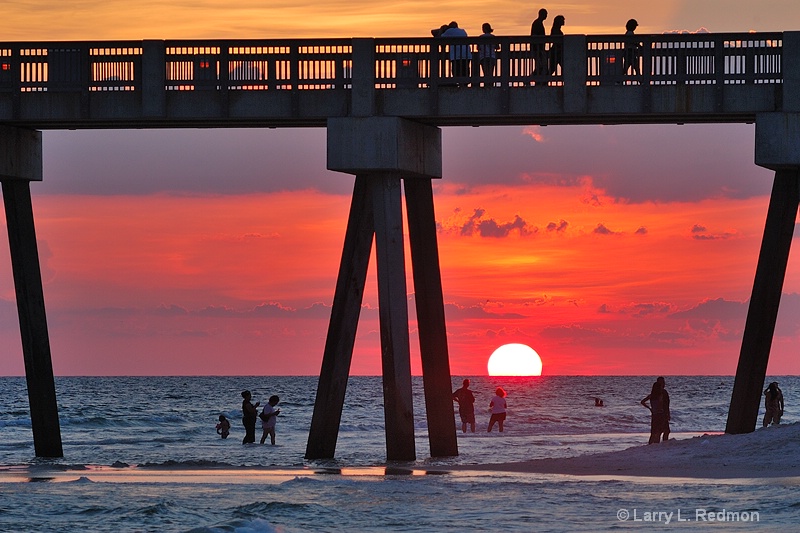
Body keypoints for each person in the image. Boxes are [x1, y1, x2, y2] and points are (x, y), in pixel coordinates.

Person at [640, 377, 669, 443]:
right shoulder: (660, 395)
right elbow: (663, 405)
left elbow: (642, 402)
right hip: (660, 414)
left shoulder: (651, 395)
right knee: (659, 431)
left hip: (654, 414)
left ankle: (652, 444)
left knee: (654, 432)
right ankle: (659, 444)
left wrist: (650, 408)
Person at [530, 8, 549, 79]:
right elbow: (534, 36)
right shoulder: (537, 23)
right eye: (545, 14)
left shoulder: (538, 23)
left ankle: (536, 80)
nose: (546, 16)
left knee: (541, 66)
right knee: (541, 66)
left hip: (539, 48)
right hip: (537, 49)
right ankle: (531, 79)